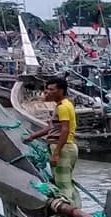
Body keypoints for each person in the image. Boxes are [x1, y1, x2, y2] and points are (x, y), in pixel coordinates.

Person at [23, 78, 79, 207]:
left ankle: (70, 211)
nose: (48, 92)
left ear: (60, 90)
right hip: (66, 147)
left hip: (63, 147)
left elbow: (65, 130)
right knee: (66, 182)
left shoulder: (63, 107)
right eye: (47, 89)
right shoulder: (64, 105)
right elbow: (51, 128)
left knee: (63, 184)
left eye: (51, 89)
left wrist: (56, 153)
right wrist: (32, 136)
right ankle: (76, 207)